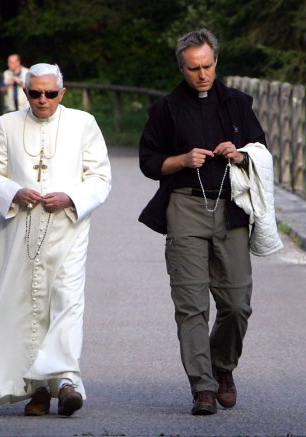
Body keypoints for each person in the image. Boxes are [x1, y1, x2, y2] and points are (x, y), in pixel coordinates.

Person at [138, 29, 267, 415]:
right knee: (191, 305)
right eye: (193, 68)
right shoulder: (166, 109)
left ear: (216, 62)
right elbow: (148, 161)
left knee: (237, 305)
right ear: (182, 67)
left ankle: (221, 367)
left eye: (207, 66)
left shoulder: (239, 104)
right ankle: (203, 387)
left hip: (231, 211)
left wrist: (241, 155)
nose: (202, 75)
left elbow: (262, 151)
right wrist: (180, 160)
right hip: (184, 208)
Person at [0, 63, 111, 417]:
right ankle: (37, 389)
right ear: (25, 92)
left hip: (68, 227)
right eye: (35, 93)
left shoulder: (83, 123)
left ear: (61, 93)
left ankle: (66, 380)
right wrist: (12, 191)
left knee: (65, 299)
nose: (42, 99)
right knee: (28, 306)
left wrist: (71, 198)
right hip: (21, 229)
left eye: (50, 93)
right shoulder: (8, 124)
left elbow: (100, 178)